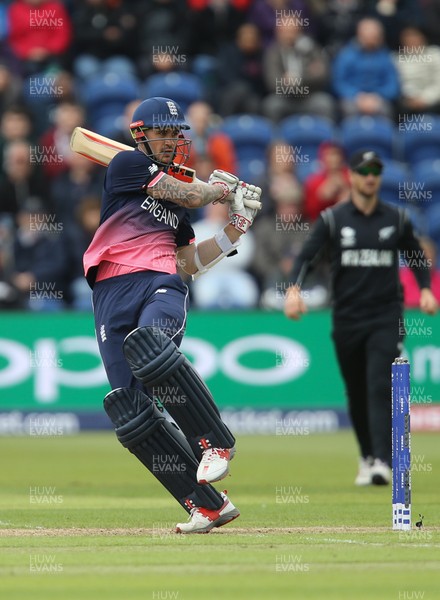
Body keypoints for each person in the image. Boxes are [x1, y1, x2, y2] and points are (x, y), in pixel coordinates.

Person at [82, 96, 261, 533]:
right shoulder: (126, 165)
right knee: (130, 411)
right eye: (162, 132)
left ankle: (215, 442)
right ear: (141, 135)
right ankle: (208, 505)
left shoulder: (177, 209)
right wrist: (223, 191)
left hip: (160, 283)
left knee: (150, 346)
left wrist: (235, 228)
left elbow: (188, 265)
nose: (171, 140)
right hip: (109, 292)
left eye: (176, 133)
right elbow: (190, 192)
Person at [283, 149, 438, 486]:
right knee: (355, 390)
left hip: (386, 315)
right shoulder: (334, 219)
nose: (370, 177)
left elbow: (416, 257)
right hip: (347, 316)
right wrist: (294, 290)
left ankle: (383, 459)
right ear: (352, 176)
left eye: (376, 171)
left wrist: (426, 289)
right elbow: (307, 258)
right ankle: (367, 455)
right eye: (364, 171)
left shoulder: (396, 218)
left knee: (379, 383)